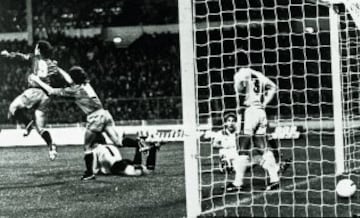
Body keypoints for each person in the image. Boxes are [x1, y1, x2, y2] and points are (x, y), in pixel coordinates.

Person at [28, 66, 153, 180]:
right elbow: (70, 79)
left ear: (74, 78)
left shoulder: (75, 90)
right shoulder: (86, 85)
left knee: (87, 146)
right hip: (104, 113)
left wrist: (37, 80)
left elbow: (51, 91)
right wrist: (59, 69)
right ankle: (138, 143)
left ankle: (89, 173)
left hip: (95, 117)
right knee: (118, 141)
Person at [0, 40, 73, 160]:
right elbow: (63, 78)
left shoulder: (34, 58)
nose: (34, 49)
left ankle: (27, 124)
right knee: (41, 128)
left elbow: (21, 57)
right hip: (46, 96)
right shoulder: (52, 64)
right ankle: (51, 146)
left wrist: (8, 54)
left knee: (12, 108)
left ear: (38, 50)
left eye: (36, 47)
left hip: (34, 91)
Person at [226, 67, 285, 192]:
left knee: (242, 148)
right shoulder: (259, 75)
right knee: (262, 146)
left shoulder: (241, 73)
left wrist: (240, 105)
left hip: (248, 113)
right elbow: (273, 87)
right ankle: (274, 180)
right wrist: (264, 103)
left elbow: (240, 89)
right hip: (261, 112)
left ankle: (238, 183)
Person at [92, 142, 159, 176]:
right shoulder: (111, 146)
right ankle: (151, 149)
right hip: (122, 161)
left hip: (116, 166)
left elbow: (94, 170)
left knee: (137, 172)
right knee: (146, 170)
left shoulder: (95, 150)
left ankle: (139, 147)